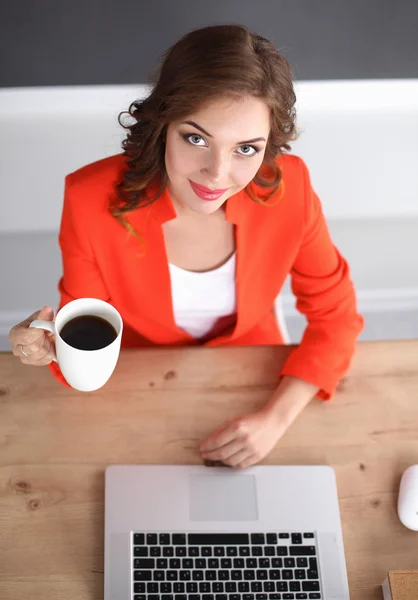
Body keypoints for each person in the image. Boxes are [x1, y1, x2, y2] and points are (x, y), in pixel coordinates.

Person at [8, 24, 364, 468]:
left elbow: (336, 317)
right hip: (137, 376)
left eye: (246, 149)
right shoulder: (89, 198)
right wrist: (47, 347)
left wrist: (276, 418)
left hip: (254, 372)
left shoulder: (291, 188)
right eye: (196, 138)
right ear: (163, 125)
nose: (217, 174)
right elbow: (85, 338)